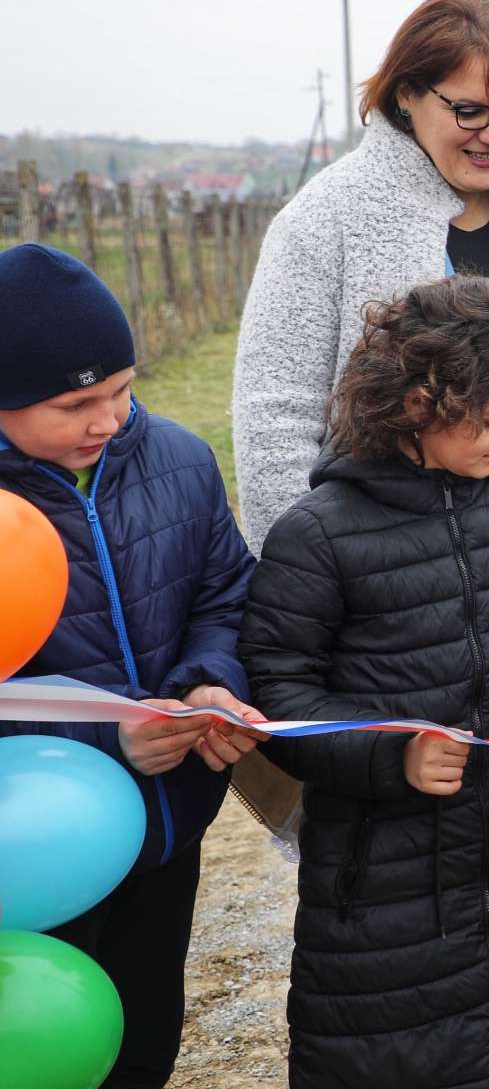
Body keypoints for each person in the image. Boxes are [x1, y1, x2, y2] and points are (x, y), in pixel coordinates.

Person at [239, 275, 489, 1089]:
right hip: (381, 888)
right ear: (416, 400)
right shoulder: (318, 534)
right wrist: (392, 754)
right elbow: (280, 695)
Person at [233, 0, 489, 666]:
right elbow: (275, 415)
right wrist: (307, 593)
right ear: (405, 96)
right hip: (384, 606)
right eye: (470, 109)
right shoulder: (324, 220)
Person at [0, 244, 264, 1089]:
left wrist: (206, 683)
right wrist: (112, 741)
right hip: (31, 852)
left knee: (146, 1034)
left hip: (166, 827)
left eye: (121, 386)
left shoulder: (181, 461)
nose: (110, 418)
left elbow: (225, 596)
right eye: (77, 402)